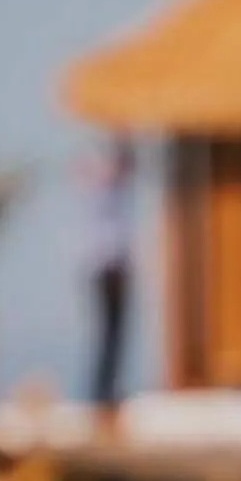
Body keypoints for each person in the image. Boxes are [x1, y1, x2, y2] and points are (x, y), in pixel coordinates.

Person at [82, 138, 135, 409]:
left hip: (112, 267)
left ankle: (107, 389)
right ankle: (103, 391)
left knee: (115, 334)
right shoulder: (103, 191)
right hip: (108, 268)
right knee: (110, 334)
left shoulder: (107, 191)